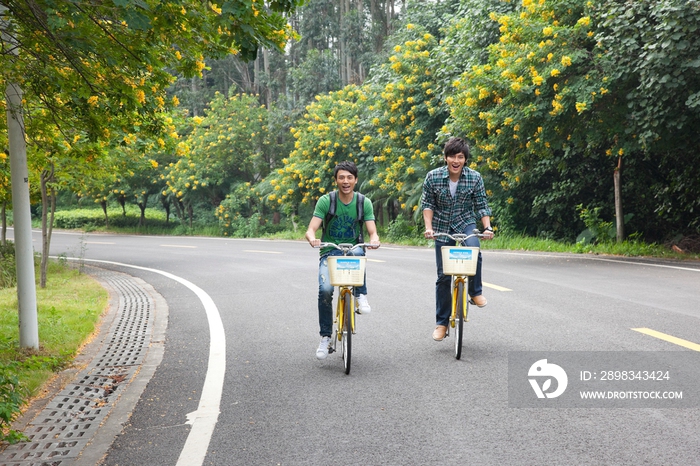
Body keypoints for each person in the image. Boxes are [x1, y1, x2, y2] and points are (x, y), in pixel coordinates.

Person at [420, 137, 494, 342]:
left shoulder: (475, 178)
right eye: (452, 156)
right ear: (445, 158)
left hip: (465, 222)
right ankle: (441, 323)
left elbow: (481, 204)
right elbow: (427, 205)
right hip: (442, 226)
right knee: (444, 276)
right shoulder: (433, 177)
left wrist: (487, 227)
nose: (456, 160)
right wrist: (429, 228)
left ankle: (474, 291)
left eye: (460, 157)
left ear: (465, 160)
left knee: (474, 250)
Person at [305, 161, 380, 360]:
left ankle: (360, 295)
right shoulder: (326, 201)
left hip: (353, 250)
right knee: (326, 291)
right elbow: (311, 229)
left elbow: (372, 231)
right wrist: (312, 238)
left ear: (355, 180)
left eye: (349, 177)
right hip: (330, 252)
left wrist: (374, 240)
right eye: (341, 177)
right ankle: (325, 337)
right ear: (336, 180)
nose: (345, 181)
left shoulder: (363, 202)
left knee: (358, 254)